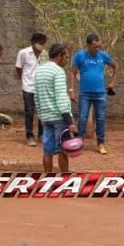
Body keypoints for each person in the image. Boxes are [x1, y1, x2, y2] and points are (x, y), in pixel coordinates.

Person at [71, 33, 117, 155]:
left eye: (99, 46)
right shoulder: (79, 56)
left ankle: (101, 143)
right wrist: (71, 90)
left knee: (101, 119)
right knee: (82, 118)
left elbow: (115, 65)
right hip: (85, 94)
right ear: (88, 45)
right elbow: (73, 73)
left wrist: (113, 81)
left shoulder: (102, 55)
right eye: (95, 47)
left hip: (100, 94)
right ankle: (79, 143)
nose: (98, 49)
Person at [35, 44, 78, 173]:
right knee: (63, 151)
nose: (67, 60)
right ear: (59, 56)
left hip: (46, 117)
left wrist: (41, 115)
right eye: (66, 57)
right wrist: (69, 121)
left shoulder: (40, 71)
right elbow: (61, 97)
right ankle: (64, 180)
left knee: (47, 151)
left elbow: (36, 96)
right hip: (59, 117)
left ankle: (48, 179)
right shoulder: (58, 71)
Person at [15, 32, 48, 147]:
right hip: (28, 87)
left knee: (42, 112)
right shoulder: (23, 53)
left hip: (41, 87)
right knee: (29, 112)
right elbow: (18, 68)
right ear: (33, 42)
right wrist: (24, 80)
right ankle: (30, 136)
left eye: (43, 44)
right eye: (40, 43)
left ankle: (41, 134)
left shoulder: (45, 54)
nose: (42, 46)